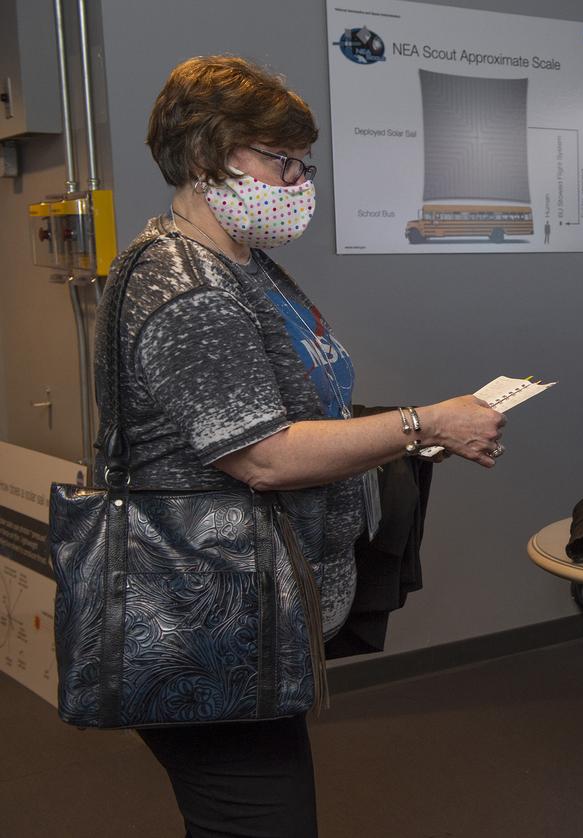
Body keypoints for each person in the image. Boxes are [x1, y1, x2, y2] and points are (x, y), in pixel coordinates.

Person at [102, 55, 507, 837]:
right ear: (203, 157)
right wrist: (422, 424)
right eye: (278, 160)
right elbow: (263, 455)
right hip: (208, 619)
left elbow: (300, 402)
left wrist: (408, 432)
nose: (297, 182)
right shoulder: (187, 287)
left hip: (258, 613)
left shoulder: (248, 267)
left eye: (302, 163)